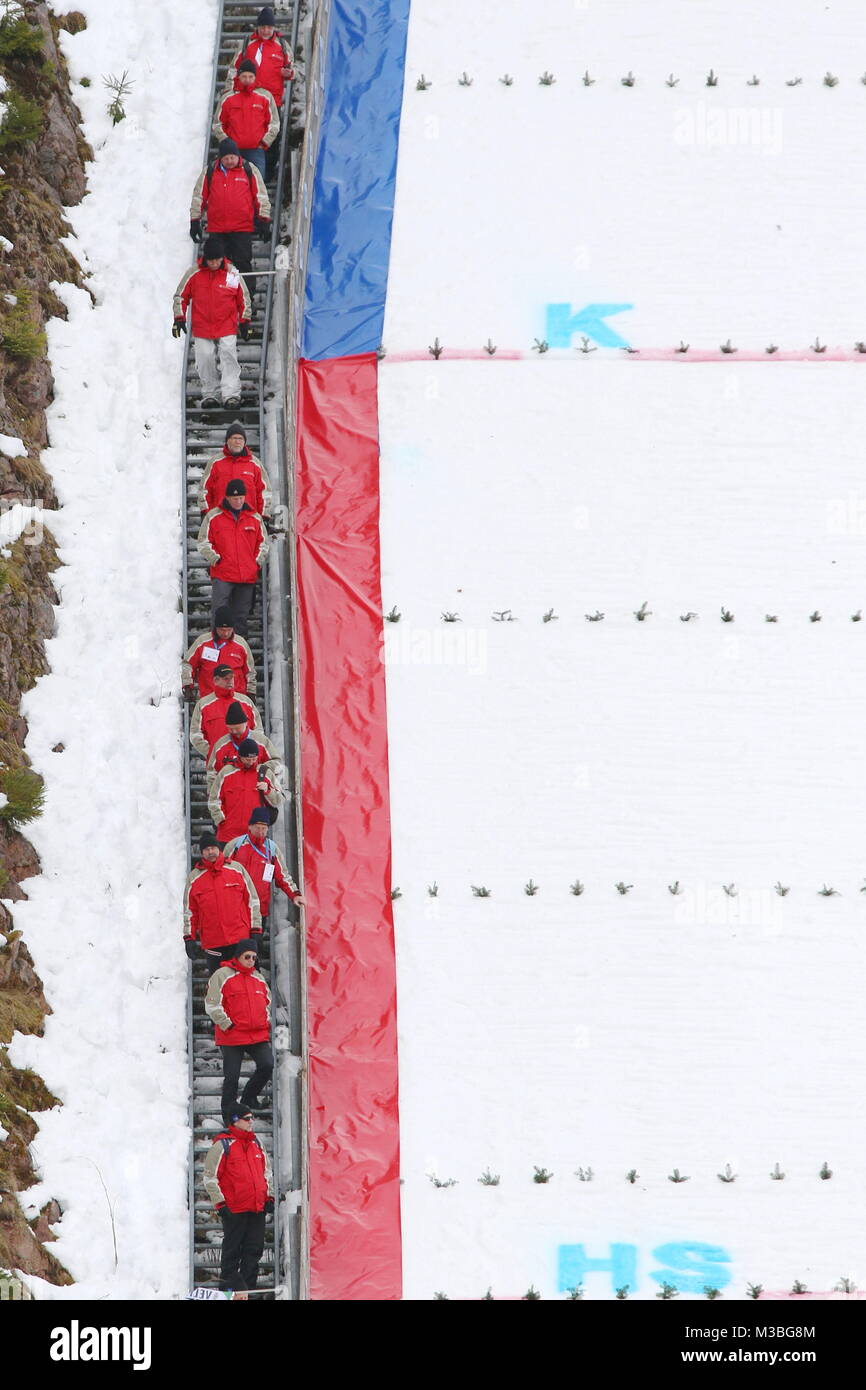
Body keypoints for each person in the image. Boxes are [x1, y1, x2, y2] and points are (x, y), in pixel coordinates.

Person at [172, 235, 251, 409]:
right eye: (211, 260)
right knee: (205, 357)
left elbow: (243, 297)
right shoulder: (194, 273)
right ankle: (210, 393)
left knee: (228, 355)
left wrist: (245, 320)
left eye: (217, 260)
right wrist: (179, 317)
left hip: (226, 323)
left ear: (222, 258)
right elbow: (181, 295)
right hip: (203, 325)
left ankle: (231, 394)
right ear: (205, 259)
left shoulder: (231, 273)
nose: (214, 263)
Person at [203, 1104, 274, 1297]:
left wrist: (270, 1196)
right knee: (231, 1255)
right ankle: (228, 1294)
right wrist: (221, 1204)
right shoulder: (222, 1145)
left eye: (252, 1118)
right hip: (234, 1209)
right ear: (235, 1120)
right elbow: (209, 1177)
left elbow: (267, 1172)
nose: (251, 1121)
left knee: (254, 1253)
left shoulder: (256, 1143)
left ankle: (246, 1294)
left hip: (257, 1208)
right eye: (247, 1118)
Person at [189, 138, 270, 302]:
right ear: (220, 158)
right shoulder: (211, 171)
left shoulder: (248, 169)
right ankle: (224, 298)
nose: (230, 161)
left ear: (237, 156)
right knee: (220, 266)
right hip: (217, 229)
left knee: (242, 264)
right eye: (226, 158)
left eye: (232, 157)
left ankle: (246, 300)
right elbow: (199, 196)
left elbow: (260, 195)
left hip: (241, 228)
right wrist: (195, 220)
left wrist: (264, 219)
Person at [205, 942, 273, 1126]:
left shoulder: (258, 978)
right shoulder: (221, 975)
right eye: (247, 956)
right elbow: (212, 1004)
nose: (251, 961)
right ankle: (228, 1114)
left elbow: (267, 1003)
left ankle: (248, 1098)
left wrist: (265, 1021)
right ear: (238, 956)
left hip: (256, 1035)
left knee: (267, 1065)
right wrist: (227, 1024)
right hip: (232, 1036)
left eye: (254, 957)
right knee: (232, 1077)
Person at [198, 478, 269, 636]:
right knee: (218, 615)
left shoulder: (255, 518)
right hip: (223, 575)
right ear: (227, 497)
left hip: (246, 576)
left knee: (241, 618)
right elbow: (203, 542)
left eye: (241, 498)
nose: (238, 501)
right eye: (235, 498)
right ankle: (216, 655)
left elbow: (264, 544)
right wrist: (216, 559)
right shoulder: (213, 517)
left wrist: (255, 563)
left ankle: (239, 655)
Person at [183, 833, 261, 971]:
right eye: (206, 850)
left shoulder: (236, 869)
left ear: (219, 849)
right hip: (214, 942)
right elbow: (190, 911)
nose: (210, 852)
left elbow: (252, 901)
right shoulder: (194, 878)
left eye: (213, 848)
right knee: (219, 985)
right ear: (202, 853)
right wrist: (189, 938)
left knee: (247, 980)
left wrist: (256, 929)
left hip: (240, 939)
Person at [227, 807, 303, 930]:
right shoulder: (236, 845)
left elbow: (283, 876)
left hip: (259, 910)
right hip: (235, 907)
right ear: (250, 827)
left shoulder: (272, 849)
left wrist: (295, 895)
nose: (261, 831)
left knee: (255, 946)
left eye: (264, 828)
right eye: (258, 828)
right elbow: (222, 870)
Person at [213, 60, 279, 179]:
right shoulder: (227, 98)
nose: (247, 79)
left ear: (255, 77)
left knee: (257, 185)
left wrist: (264, 142)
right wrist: (227, 142)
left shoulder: (265, 97)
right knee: (231, 184)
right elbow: (218, 124)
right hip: (232, 152)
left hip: (256, 150)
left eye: (250, 76)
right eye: (244, 76)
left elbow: (274, 123)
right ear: (238, 77)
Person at [208, 740, 283, 844]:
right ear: (240, 756)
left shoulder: (265, 773)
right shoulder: (226, 772)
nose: (251, 762)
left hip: (255, 837)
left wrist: (268, 791)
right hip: (227, 836)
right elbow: (214, 799)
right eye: (247, 759)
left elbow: (279, 800)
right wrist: (221, 820)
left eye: (254, 759)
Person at [224, 6, 295, 110]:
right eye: (262, 27)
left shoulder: (282, 45)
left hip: (272, 102)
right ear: (257, 27)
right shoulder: (247, 44)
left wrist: (289, 73)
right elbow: (234, 68)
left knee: (272, 126)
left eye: (269, 28)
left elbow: (294, 69)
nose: (266, 31)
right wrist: (229, 92)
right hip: (247, 100)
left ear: (274, 28)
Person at [199, 422, 272, 519]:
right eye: (234, 438)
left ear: (245, 442)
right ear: (227, 441)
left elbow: (264, 492)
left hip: (248, 521)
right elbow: (204, 490)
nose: (237, 442)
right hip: (221, 521)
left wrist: (264, 515)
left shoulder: (255, 464)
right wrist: (206, 513)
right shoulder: (215, 463)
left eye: (240, 438)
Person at [183, 606, 256, 699]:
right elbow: (188, 664)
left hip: (236, 699)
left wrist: (251, 692)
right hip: (209, 699)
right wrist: (188, 686)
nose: (225, 634)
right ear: (215, 627)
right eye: (222, 630)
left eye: (229, 630)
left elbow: (250, 671)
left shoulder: (241, 644)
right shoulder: (202, 642)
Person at [207, 708, 280, 783]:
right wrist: (213, 792)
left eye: (237, 728)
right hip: (231, 791)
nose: (234, 731)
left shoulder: (262, 741)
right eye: (230, 729)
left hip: (256, 789)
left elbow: (277, 762)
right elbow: (212, 773)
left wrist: (261, 770)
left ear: (246, 723)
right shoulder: (220, 745)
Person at [191, 685, 262, 761]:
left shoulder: (246, 703)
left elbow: (258, 732)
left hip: (246, 763)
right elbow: (196, 735)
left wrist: (249, 752)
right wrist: (213, 753)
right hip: (219, 763)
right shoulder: (204, 705)